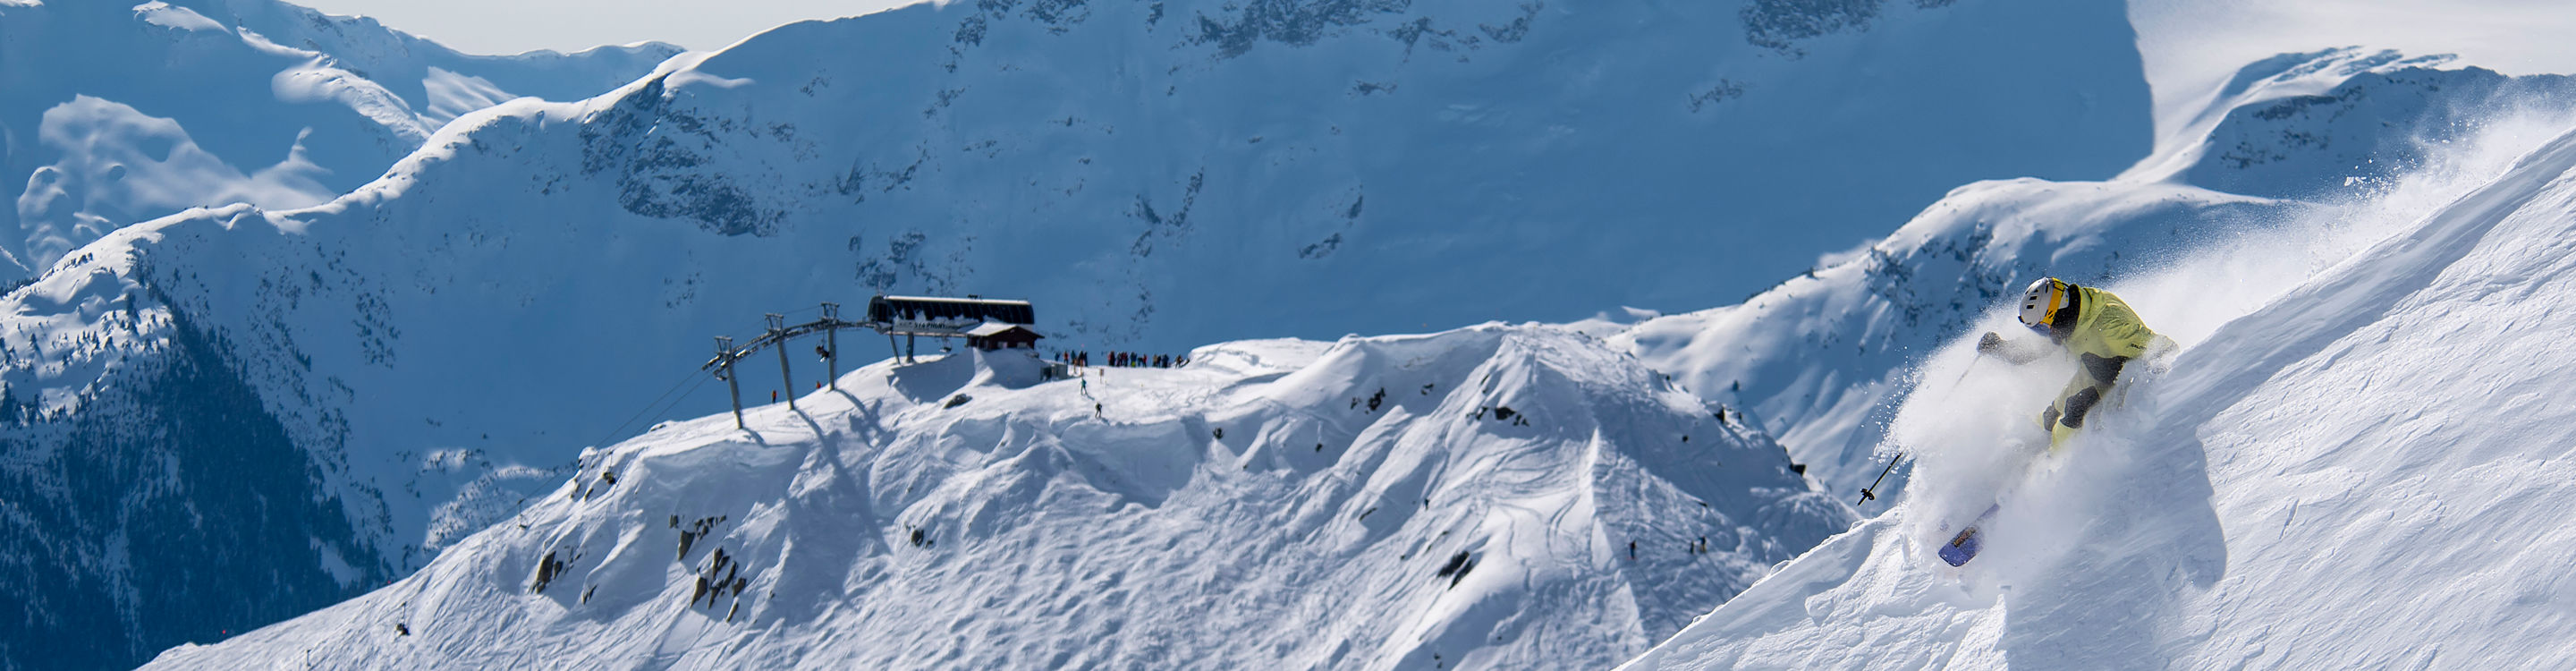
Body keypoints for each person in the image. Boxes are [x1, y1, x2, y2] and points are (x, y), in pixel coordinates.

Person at [1977, 276, 2174, 449]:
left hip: (2116, 384)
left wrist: (2133, 390)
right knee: (2047, 420)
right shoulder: (2071, 321)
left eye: (2044, 328)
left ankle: (2053, 472)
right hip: (2094, 374)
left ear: (2058, 313)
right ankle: (2030, 453)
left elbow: (2165, 351)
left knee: (2068, 421)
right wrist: (1998, 348)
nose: (2047, 334)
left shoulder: (2110, 328)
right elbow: (2030, 351)